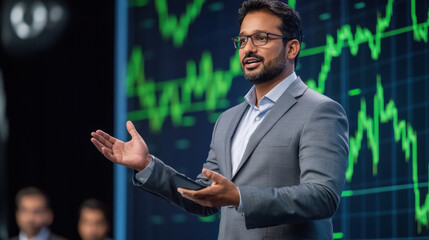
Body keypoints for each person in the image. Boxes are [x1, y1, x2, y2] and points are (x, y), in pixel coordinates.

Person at [91, 0, 349, 239]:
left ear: (292, 47)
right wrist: (147, 165)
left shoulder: (320, 111)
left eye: (261, 38)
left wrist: (239, 197)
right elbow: (204, 198)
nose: (248, 48)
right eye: (243, 39)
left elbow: (322, 197)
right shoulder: (228, 119)